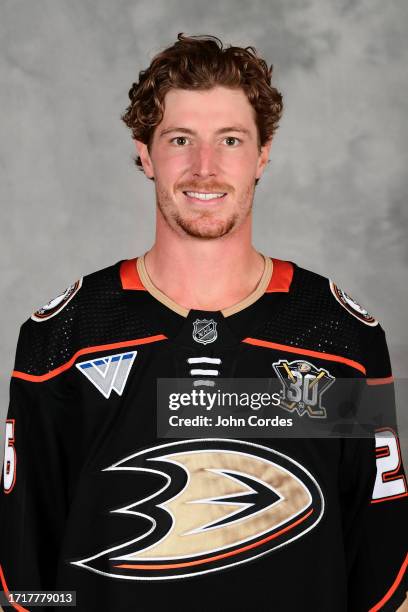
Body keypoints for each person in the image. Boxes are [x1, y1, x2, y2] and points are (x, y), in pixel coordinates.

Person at [0, 33, 407, 612]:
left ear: (263, 154)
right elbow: (24, 584)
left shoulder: (341, 340)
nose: (205, 168)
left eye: (231, 140)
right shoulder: (61, 340)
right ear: (144, 152)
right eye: (180, 139)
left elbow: (384, 574)